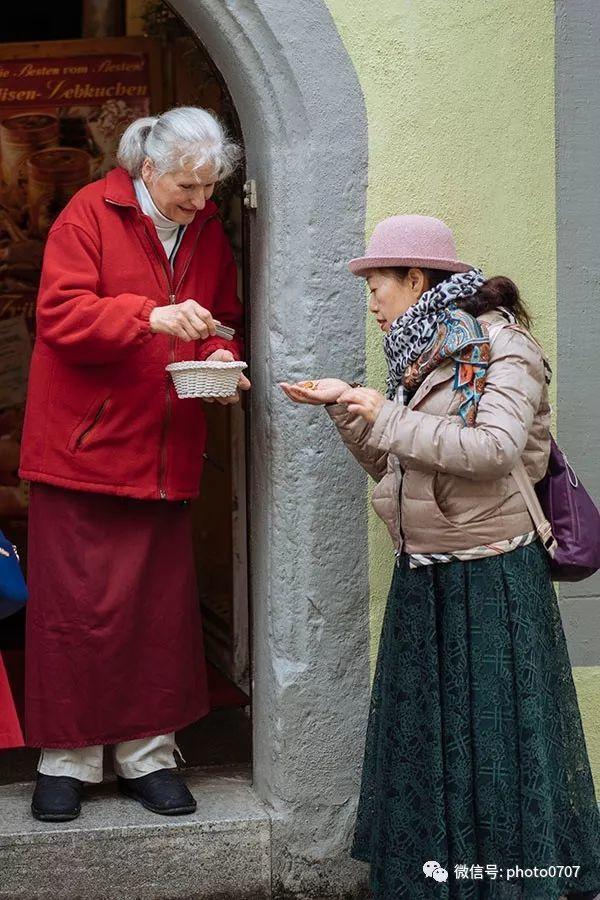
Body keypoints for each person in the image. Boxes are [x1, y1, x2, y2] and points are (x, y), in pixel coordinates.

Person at [281, 215, 600, 899]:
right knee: (431, 746)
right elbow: (397, 468)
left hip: (492, 580)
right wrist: (349, 411)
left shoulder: (505, 347)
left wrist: (385, 412)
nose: (370, 300)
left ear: (417, 280)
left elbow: (494, 451)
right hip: (425, 577)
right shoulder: (419, 352)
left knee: (497, 749)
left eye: (377, 284)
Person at [19, 106, 250, 822]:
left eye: (209, 188)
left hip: (161, 450)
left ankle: (149, 758)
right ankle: (67, 763)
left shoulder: (207, 231)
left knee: (155, 616)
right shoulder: (88, 215)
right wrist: (148, 315)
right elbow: (59, 316)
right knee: (73, 614)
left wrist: (218, 354)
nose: (200, 202)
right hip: (81, 452)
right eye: (187, 187)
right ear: (147, 169)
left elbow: (219, 314)